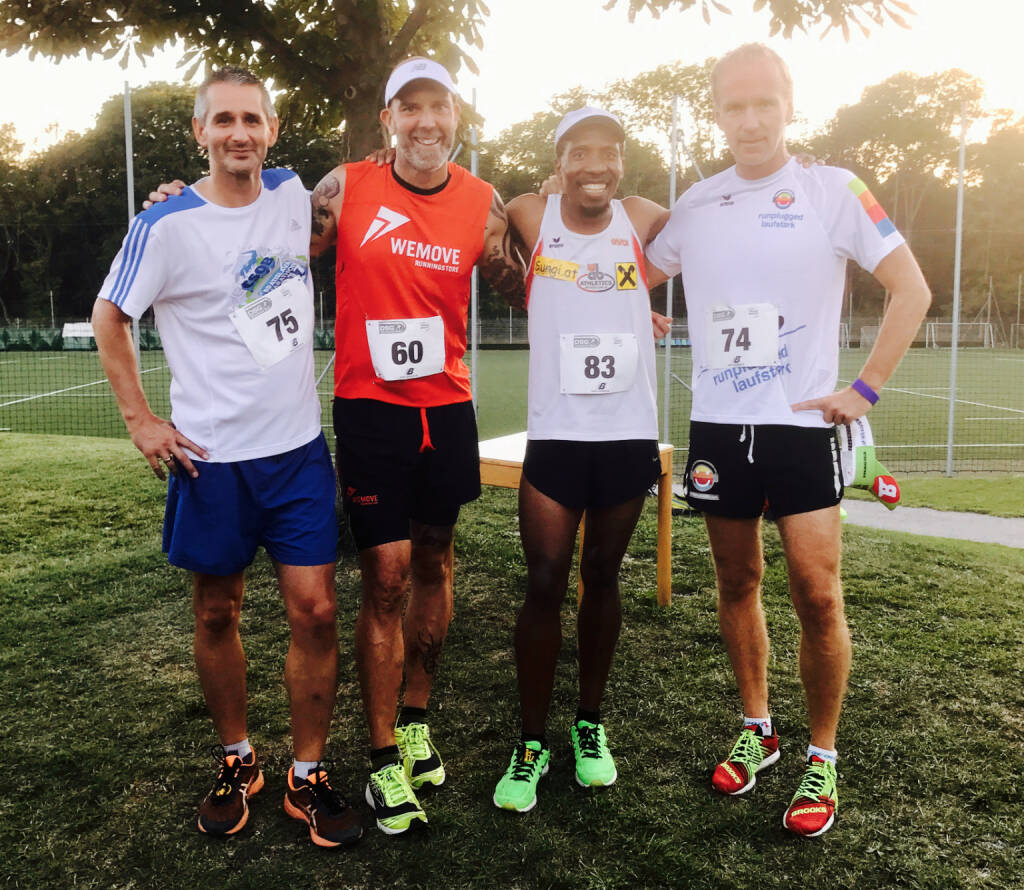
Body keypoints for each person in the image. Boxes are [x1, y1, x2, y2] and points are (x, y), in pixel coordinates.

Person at [645, 43, 931, 837]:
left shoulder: (834, 190)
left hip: (804, 425)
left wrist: (863, 388)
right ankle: (758, 728)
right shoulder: (697, 203)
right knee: (737, 582)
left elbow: (911, 287)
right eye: (734, 106)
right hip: (718, 426)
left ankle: (823, 756)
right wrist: (637, 304)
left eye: (763, 102)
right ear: (717, 114)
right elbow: (622, 266)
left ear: (789, 105)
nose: (749, 120)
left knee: (817, 593)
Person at [93, 67, 362, 849]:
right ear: (200, 133)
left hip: (296, 453)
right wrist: (141, 420)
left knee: (316, 610)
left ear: (272, 129)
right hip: (210, 459)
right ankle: (238, 760)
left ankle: (307, 773)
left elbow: (358, 200)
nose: (239, 133)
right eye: (223, 120)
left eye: (252, 119)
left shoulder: (292, 192)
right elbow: (110, 316)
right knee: (217, 610)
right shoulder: (166, 223)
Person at [307, 57, 526, 835]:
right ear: (388, 119)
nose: (426, 120)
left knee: (435, 561)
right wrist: (186, 200)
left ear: (456, 117)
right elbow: (264, 246)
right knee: (387, 577)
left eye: (439, 106)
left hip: (448, 410)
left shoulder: (483, 201)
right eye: (410, 106)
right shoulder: (344, 188)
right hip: (372, 411)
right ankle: (380, 760)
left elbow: (523, 283)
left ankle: (414, 721)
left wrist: (607, 258)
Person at [487, 108, 668, 812]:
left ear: (622, 160)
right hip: (557, 434)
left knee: (603, 576)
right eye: (580, 152)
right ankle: (531, 741)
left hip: (627, 434)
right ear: (559, 161)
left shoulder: (642, 216)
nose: (596, 164)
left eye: (608, 151)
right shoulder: (531, 212)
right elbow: (478, 229)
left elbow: (714, 234)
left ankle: (589, 724)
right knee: (544, 582)